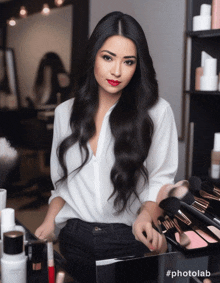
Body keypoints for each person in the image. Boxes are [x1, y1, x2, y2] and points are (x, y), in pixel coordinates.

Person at [35, 11, 178, 282]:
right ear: (93, 57)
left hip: (127, 240)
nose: (116, 71)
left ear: (138, 65)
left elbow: (160, 179)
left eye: (128, 62)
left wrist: (145, 218)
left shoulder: (157, 113)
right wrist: (48, 222)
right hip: (74, 239)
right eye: (108, 57)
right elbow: (64, 185)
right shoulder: (66, 112)